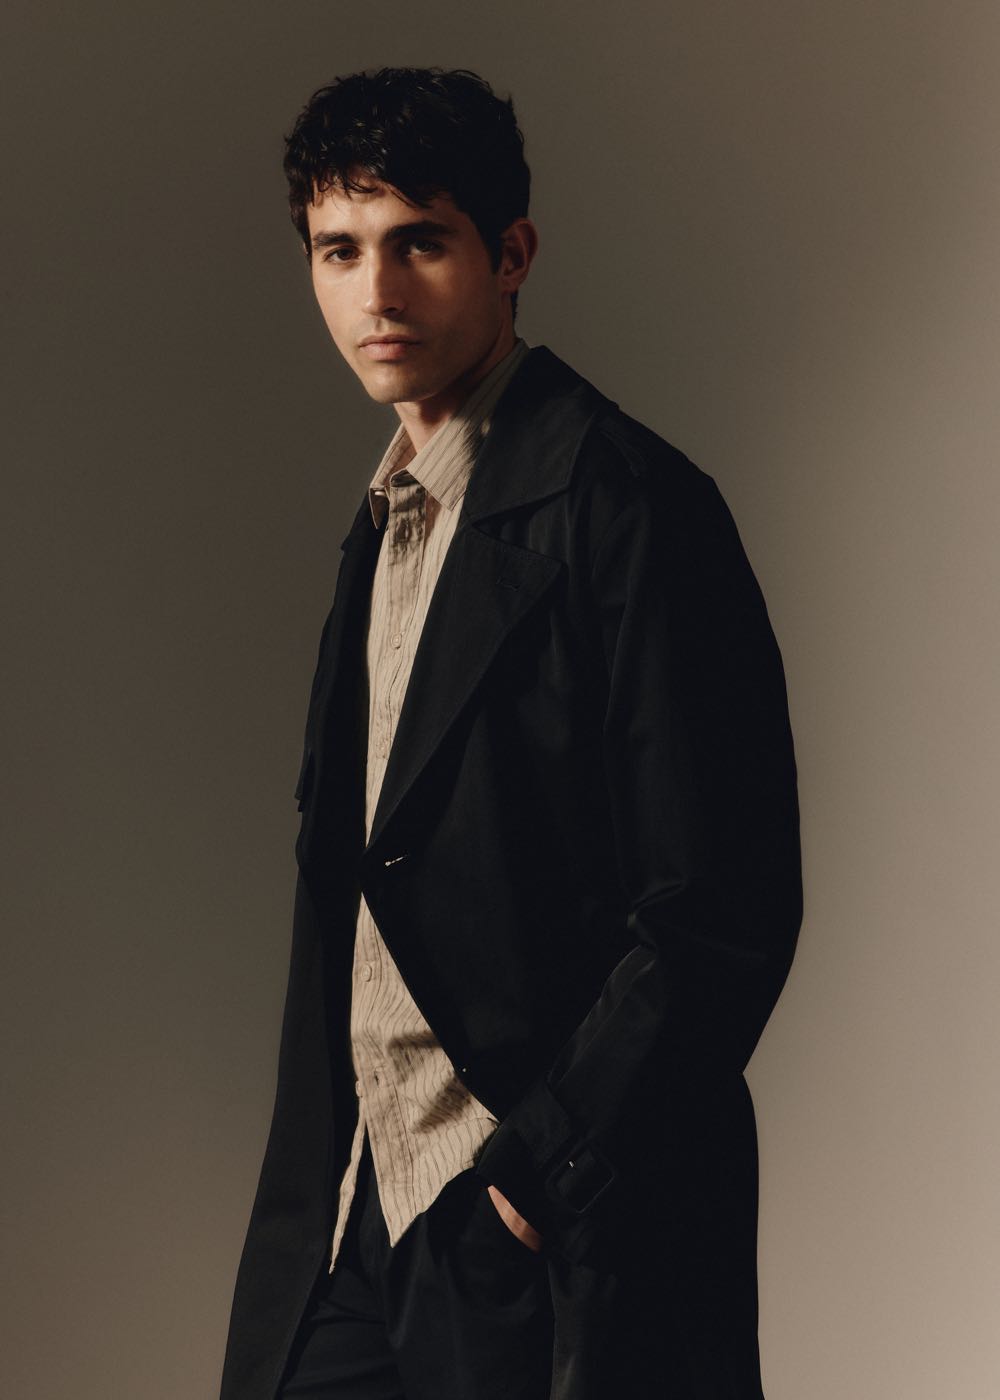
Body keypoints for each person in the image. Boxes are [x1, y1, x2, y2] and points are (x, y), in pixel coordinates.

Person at [219, 66, 802, 1400]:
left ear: (512, 254)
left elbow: (719, 912)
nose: (377, 291)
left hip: (536, 1230)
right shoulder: (384, 527)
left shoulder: (635, 508)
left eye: (420, 241)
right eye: (339, 249)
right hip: (355, 1218)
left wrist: (529, 1188)